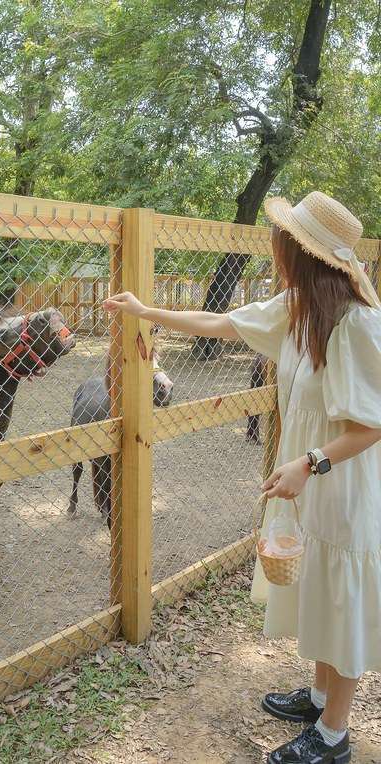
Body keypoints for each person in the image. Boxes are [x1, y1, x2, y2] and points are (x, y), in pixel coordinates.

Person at [104, 191, 381, 764]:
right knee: (321, 590)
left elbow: (371, 426)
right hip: (306, 481)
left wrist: (310, 464)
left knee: (343, 596)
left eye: (283, 241)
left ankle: (334, 736)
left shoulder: (357, 325)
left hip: (340, 483)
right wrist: (146, 312)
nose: (274, 248)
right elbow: (221, 322)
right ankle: (320, 696)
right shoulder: (298, 308)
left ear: (302, 254)